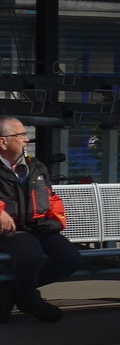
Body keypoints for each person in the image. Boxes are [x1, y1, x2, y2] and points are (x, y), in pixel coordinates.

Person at [0, 117, 79, 322]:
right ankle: (29, 300)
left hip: (36, 226)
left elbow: (50, 196)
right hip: (9, 232)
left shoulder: (35, 166)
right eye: (20, 135)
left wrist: (56, 219)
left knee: (70, 258)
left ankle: (15, 290)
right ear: (3, 142)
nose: (27, 140)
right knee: (31, 254)